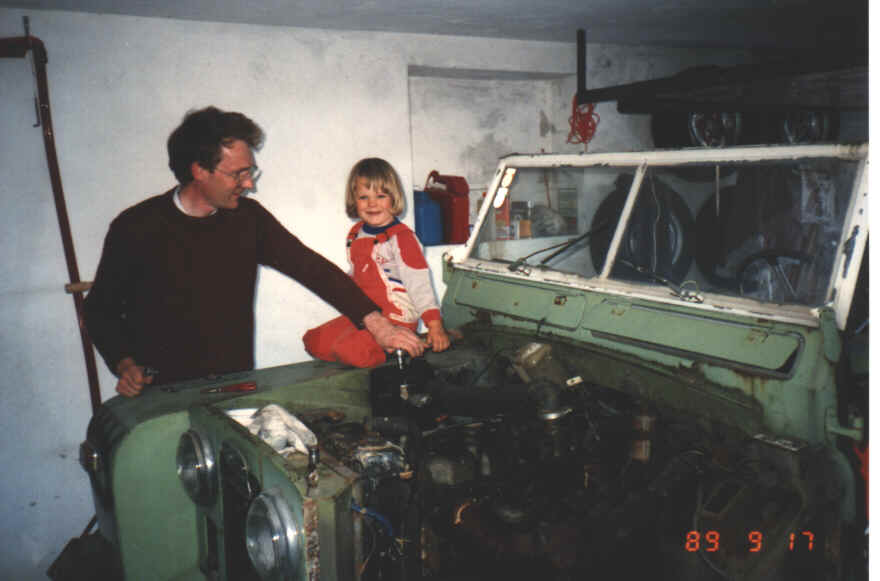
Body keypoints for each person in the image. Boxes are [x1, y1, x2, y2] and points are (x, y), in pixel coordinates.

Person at [83, 107, 423, 397]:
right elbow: (99, 310)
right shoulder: (136, 227)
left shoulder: (248, 219)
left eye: (250, 171)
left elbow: (311, 268)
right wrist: (123, 364)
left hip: (235, 386)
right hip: (162, 394)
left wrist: (378, 325)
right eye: (239, 174)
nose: (249, 184)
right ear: (199, 170)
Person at [303, 157, 450, 367]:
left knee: (349, 350)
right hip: (365, 317)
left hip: (396, 320)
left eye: (380, 196)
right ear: (354, 199)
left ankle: (394, 351)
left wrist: (435, 326)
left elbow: (419, 285)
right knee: (314, 341)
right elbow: (355, 275)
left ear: (394, 198)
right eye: (364, 197)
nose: (372, 204)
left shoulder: (402, 238)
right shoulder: (355, 234)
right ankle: (362, 345)